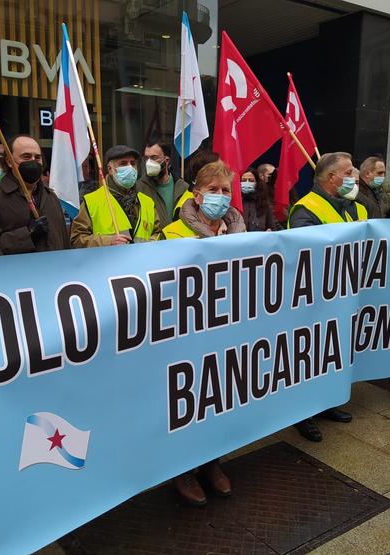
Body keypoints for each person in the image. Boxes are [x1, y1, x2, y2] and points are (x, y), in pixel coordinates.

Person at [160, 160, 245, 505]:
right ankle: (181, 469)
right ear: (197, 195)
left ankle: (212, 462)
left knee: (217, 400)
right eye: (213, 190)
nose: (220, 197)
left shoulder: (242, 235)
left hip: (224, 332)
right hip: (185, 336)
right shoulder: (172, 234)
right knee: (186, 404)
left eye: (226, 190)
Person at [287, 152, 358, 442]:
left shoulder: (350, 206)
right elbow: (305, 252)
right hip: (313, 298)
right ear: (331, 178)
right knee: (308, 356)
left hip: (341, 293)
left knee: (331, 354)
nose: (353, 177)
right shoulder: (306, 208)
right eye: (349, 172)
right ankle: (302, 414)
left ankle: (327, 402)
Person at [0, 134, 70, 254]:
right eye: (26, 157)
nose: (33, 161)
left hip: (55, 270)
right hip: (16, 272)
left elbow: (64, 242)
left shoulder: (51, 197)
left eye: (37, 157)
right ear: (9, 161)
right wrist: (27, 234)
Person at [71, 145, 162, 247]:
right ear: (110, 169)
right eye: (123, 163)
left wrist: (153, 240)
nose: (130, 168)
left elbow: (158, 232)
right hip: (108, 262)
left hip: (143, 262)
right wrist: (108, 241)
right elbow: (77, 238)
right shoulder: (92, 201)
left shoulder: (147, 202)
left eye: (133, 163)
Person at [136, 140, 190, 226]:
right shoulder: (139, 188)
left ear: (167, 160)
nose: (148, 163)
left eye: (154, 158)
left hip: (177, 238)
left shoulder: (183, 187)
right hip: (154, 239)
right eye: (146, 158)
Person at [240, 167, 276, 232]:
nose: (247, 183)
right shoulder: (235, 202)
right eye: (244, 180)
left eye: (251, 180)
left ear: (256, 182)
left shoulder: (263, 202)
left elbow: (271, 227)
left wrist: (270, 231)